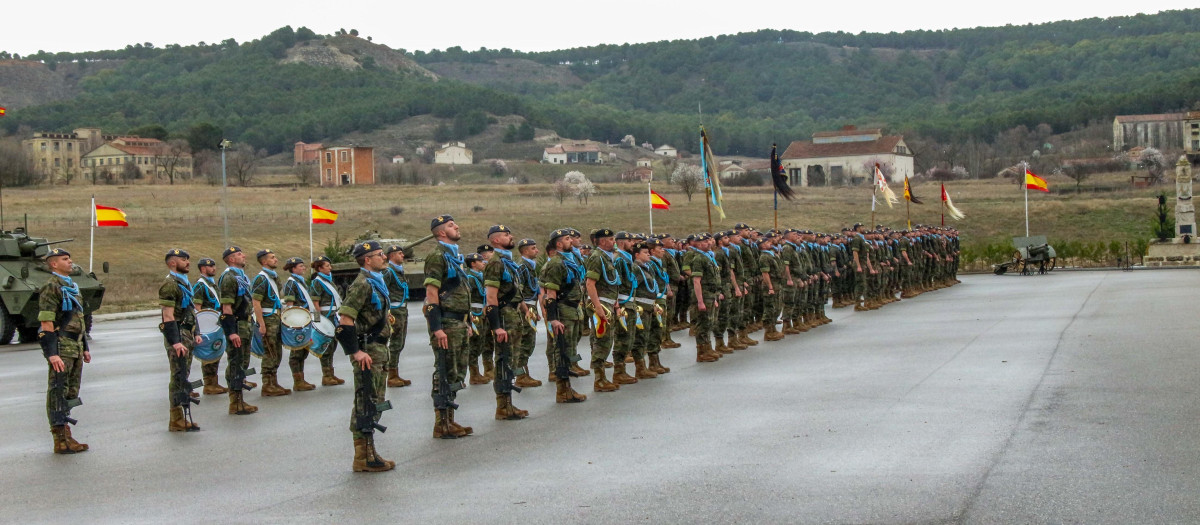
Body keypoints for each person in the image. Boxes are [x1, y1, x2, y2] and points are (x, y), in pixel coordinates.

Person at [334, 240, 395, 472]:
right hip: (368, 351)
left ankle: (369, 453)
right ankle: (362, 457)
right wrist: (356, 352)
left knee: (375, 400)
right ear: (367, 260)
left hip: (378, 349)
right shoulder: (362, 284)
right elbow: (345, 321)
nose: (384, 257)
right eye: (380, 254)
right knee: (365, 401)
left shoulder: (375, 282)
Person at [423, 215, 473, 439]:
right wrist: (437, 328)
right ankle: (440, 424)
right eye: (452, 226)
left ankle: (450, 420)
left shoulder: (455, 256)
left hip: (458, 321)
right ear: (441, 232)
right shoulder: (437, 256)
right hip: (446, 322)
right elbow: (431, 294)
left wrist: (467, 322)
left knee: (456, 371)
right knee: (444, 370)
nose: (457, 227)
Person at [38, 247, 90, 453]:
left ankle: (67, 434)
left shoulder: (72, 287)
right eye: (65, 259)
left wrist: (84, 346)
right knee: (57, 390)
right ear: (53, 264)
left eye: (70, 258)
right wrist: (52, 354)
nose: (70, 262)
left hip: (75, 346)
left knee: (70, 392)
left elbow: (79, 318)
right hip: (61, 346)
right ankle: (59, 439)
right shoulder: (51, 287)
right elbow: (46, 323)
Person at [483, 225, 531, 419]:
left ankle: (509, 403)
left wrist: (524, 310)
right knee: (503, 360)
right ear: (495, 240)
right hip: (503, 316)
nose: (510, 237)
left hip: (513, 315)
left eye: (510, 233)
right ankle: (502, 406)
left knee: (511, 360)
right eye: (505, 235)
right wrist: (496, 326)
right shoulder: (495, 263)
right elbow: (491, 297)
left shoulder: (508, 263)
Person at [539, 229, 589, 403]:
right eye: (567, 239)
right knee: (562, 350)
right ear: (558, 244)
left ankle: (567, 387)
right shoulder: (556, 263)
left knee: (570, 348)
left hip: (573, 310)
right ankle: (563, 390)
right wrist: (553, 318)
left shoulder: (571, 261)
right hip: (563, 311)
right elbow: (550, 293)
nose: (571, 241)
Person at [159, 249, 203, 431]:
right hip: (176, 334)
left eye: (188, 258)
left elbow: (191, 311)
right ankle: (175, 417)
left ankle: (181, 416)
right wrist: (175, 341)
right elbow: (167, 315)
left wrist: (196, 332)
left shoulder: (184, 283)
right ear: (172, 263)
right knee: (177, 375)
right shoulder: (170, 285)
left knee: (183, 375)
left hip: (187, 333)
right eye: (183, 259)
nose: (187, 262)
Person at [217, 246, 258, 415]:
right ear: (231, 259)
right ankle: (235, 402)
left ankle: (240, 399)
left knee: (243, 362)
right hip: (237, 325)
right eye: (239, 254)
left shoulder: (241, 277)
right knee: (236, 362)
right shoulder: (229, 278)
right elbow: (226, 308)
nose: (244, 256)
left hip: (245, 324)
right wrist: (231, 331)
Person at [583, 228, 621, 392]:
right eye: (611, 239)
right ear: (603, 241)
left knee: (607, 340)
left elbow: (612, 283)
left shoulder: (607, 258)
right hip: (602, 304)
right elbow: (590, 284)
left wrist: (616, 304)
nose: (614, 242)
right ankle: (599, 379)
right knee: (602, 341)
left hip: (609, 302)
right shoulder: (597, 258)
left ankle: (603, 377)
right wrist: (598, 308)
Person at [252, 249, 290, 396]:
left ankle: (274, 382)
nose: (276, 260)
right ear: (264, 261)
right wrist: (261, 324)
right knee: (270, 352)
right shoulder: (261, 278)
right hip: (267, 319)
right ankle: (267, 384)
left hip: (276, 318)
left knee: (277, 352)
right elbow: (256, 303)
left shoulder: (273, 277)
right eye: (272, 258)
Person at [191, 257, 229, 396]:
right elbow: (197, 308)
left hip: (215, 324)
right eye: (210, 266)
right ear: (203, 269)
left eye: (214, 266)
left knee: (216, 351)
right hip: (207, 326)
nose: (213, 268)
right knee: (208, 353)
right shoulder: (201, 286)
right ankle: (209, 384)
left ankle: (214, 383)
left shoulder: (212, 285)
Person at [682, 233, 723, 361]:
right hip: (704, 296)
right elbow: (696, 281)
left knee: (709, 323)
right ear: (699, 245)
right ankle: (701, 352)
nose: (709, 243)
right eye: (705, 242)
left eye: (708, 241)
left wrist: (715, 296)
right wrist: (700, 301)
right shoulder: (699, 258)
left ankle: (708, 348)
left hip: (711, 295)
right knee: (703, 324)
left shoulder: (709, 257)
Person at [280, 257, 317, 392]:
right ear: (293, 268)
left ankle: (301, 378)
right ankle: (297, 381)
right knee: (297, 352)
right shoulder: (291, 283)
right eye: (301, 266)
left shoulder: (300, 282)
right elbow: (290, 305)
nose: (304, 268)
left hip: (305, 320)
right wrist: (293, 323)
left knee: (303, 351)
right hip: (297, 321)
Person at [308, 256, 345, 386]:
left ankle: (331, 373)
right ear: (319, 268)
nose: (330, 267)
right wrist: (318, 321)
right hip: (325, 316)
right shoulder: (317, 282)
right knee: (327, 347)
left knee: (333, 345)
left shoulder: (328, 280)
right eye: (327, 266)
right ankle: (326, 375)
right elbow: (315, 302)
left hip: (334, 315)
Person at [383, 245, 412, 388]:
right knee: (394, 343)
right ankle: (391, 375)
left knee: (399, 343)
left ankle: (395, 372)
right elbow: (382, 290)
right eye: (399, 253)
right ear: (391, 255)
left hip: (402, 310)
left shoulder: (399, 271)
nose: (403, 255)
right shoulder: (389, 272)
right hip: (394, 311)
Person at [465, 253, 491, 385]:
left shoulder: (480, 276)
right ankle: (474, 374)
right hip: (474, 312)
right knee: (474, 343)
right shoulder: (470, 278)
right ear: (473, 264)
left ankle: (477, 372)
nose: (483, 263)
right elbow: (467, 298)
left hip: (481, 311)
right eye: (480, 261)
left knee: (481, 342)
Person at [757, 234, 786, 341]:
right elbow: (765, 273)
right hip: (771, 284)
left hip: (777, 284)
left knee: (777, 308)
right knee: (770, 309)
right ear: (763, 246)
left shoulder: (772, 254)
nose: (770, 243)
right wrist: (770, 287)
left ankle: (773, 329)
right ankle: (768, 332)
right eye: (767, 243)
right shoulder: (764, 256)